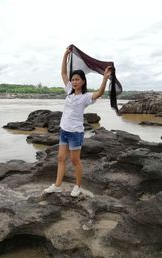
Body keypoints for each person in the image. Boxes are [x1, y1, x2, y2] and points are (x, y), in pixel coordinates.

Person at [44, 47, 112, 197]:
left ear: (82, 82)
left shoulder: (86, 97)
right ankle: (57, 185)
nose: (74, 82)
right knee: (61, 158)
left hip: (75, 133)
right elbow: (62, 73)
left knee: (75, 160)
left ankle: (78, 186)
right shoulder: (69, 90)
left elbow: (100, 93)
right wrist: (65, 56)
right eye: (73, 79)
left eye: (77, 80)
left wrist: (105, 79)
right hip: (64, 131)